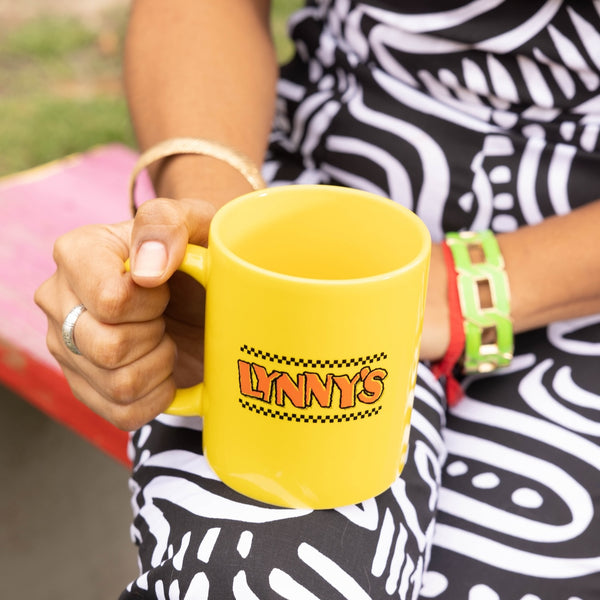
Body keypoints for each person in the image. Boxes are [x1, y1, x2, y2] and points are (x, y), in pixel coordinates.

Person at [34, 1, 600, 598]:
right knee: (251, 576)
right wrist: (223, 229)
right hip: (301, 211)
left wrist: (445, 292)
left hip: (574, 297)